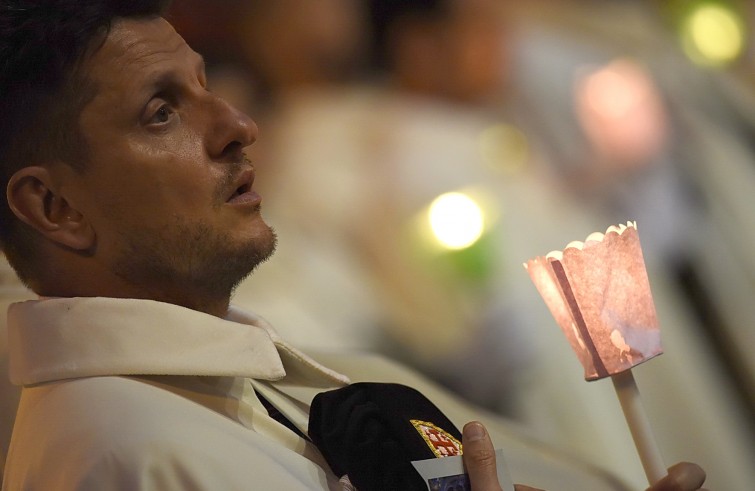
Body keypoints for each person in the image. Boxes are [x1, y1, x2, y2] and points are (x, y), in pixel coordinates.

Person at [0, 1, 708, 490]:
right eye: (161, 112)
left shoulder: (244, 375)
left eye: (206, 86)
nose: (238, 125)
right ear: (53, 206)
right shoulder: (120, 452)